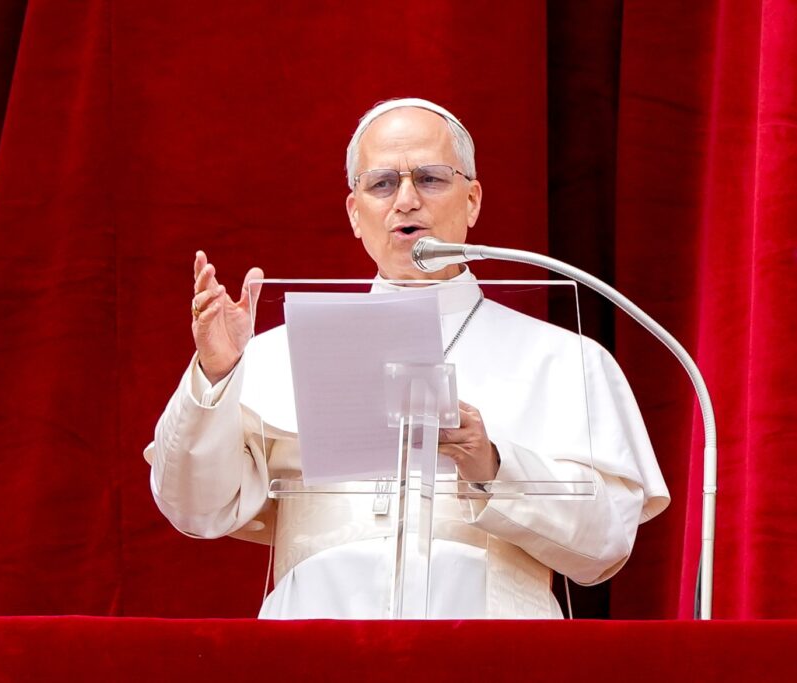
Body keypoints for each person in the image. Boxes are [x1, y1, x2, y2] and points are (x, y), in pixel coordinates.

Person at [144, 98, 669, 618]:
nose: (406, 200)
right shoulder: (273, 354)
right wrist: (218, 373)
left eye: (431, 179)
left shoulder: (562, 359)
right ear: (355, 213)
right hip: (314, 638)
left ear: (472, 201)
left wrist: (492, 465)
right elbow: (195, 508)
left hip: (493, 644)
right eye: (381, 184)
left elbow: (607, 543)